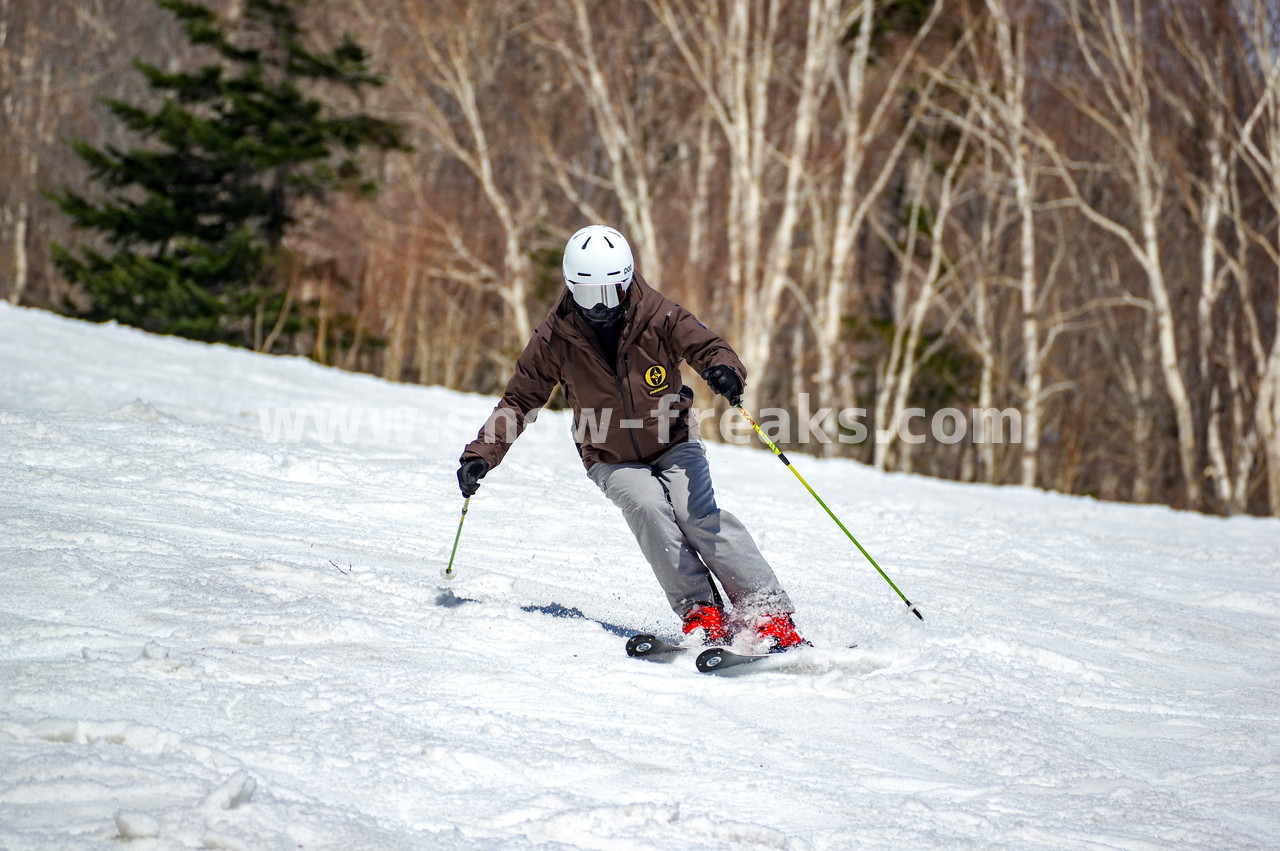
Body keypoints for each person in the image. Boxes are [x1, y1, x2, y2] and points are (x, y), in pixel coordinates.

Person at [456, 225, 805, 651]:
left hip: (674, 440)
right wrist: (481, 455)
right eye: (588, 296)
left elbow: (708, 346)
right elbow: (518, 399)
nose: (601, 306)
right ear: (570, 288)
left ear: (627, 280)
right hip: (610, 454)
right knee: (648, 508)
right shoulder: (554, 337)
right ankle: (702, 612)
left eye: (611, 292)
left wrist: (724, 369)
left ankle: (767, 613)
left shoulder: (659, 314)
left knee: (697, 515)